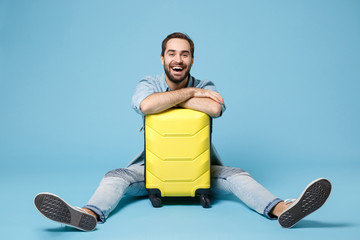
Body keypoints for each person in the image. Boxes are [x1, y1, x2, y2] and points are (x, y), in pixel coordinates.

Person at [34, 32, 332, 231]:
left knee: (237, 174)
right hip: (152, 170)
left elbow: (215, 109)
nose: (179, 59)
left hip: (201, 170)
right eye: (172, 54)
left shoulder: (208, 85)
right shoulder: (150, 83)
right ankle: (87, 215)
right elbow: (147, 104)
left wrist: (182, 97)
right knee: (116, 175)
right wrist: (191, 95)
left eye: (185, 54)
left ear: (192, 59)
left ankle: (283, 209)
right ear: (162, 59)